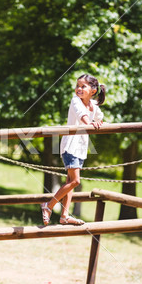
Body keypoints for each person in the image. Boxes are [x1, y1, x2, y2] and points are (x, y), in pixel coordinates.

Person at [41, 74, 106, 225]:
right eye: (77, 86)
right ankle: (48, 206)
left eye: (83, 86)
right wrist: (90, 123)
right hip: (70, 145)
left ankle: (64, 216)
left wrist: (98, 122)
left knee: (69, 181)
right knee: (75, 181)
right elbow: (82, 116)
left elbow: (99, 117)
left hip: (81, 148)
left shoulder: (94, 106)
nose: (79, 89)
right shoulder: (75, 101)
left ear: (93, 90)